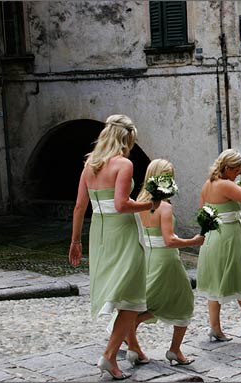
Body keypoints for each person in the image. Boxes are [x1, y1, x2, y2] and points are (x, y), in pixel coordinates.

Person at [68, 114, 159, 380]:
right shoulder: (123, 164)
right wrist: (150, 204)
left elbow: (79, 206)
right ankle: (109, 356)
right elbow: (121, 204)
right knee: (130, 299)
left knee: (122, 292)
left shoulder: (89, 166)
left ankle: (134, 348)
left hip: (100, 231)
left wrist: (75, 241)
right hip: (122, 230)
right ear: (127, 138)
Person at [125, 159, 205, 365]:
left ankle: (134, 347)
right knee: (184, 302)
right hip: (166, 260)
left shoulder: (138, 203)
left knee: (146, 302)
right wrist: (193, 241)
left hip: (146, 257)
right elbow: (169, 240)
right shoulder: (164, 207)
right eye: (170, 177)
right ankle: (174, 350)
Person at [196, 149, 241, 340]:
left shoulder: (208, 184)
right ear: (227, 168)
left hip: (213, 236)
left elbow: (202, 213)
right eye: (237, 170)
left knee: (215, 281)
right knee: (240, 278)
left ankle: (215, 327)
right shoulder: (224, 185)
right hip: (227, 237)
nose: (238, 173)